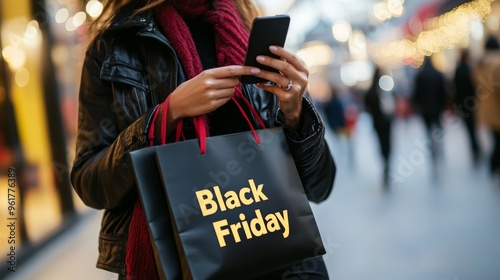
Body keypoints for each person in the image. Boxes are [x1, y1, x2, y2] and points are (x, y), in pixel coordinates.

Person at [70, 0, 336, 279]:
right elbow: (90, 183)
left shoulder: (250, 31)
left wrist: (296, 114)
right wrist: (167, 114)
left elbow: (320, 186)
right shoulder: (115, 45)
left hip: (277, 255)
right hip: (180, 261)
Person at [412, 56, 448, 163]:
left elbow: (416, 93)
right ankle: (439, 146)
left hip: (425, 109)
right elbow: (443, 92)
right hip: (437, 107)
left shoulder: (420, 75)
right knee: (438, 128)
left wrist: (417, 105)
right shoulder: (438, 74)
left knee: (428, 130)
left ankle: (432, 147)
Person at [474, 35, 500, 177]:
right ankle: (494, 165)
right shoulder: (497, 63)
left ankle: (493, 166)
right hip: (497, 108)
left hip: (485, 109)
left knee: (495, 139)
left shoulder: (480, 64)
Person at [364, 66, 394, 186]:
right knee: (387, 144)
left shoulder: (372, 91)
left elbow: (367, 106)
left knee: (383, 144)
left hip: (378, 123)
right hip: (385, 122)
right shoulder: (384, 89)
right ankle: (386, 163)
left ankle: (385, 162)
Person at [453, 49, 480, 164]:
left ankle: (475, 148)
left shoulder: (459, 70)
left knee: (470, 129)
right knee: (473, 128)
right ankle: (476, 148)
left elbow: (455, 90)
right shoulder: (470, 70)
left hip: (464, 105)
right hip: (472, 104)